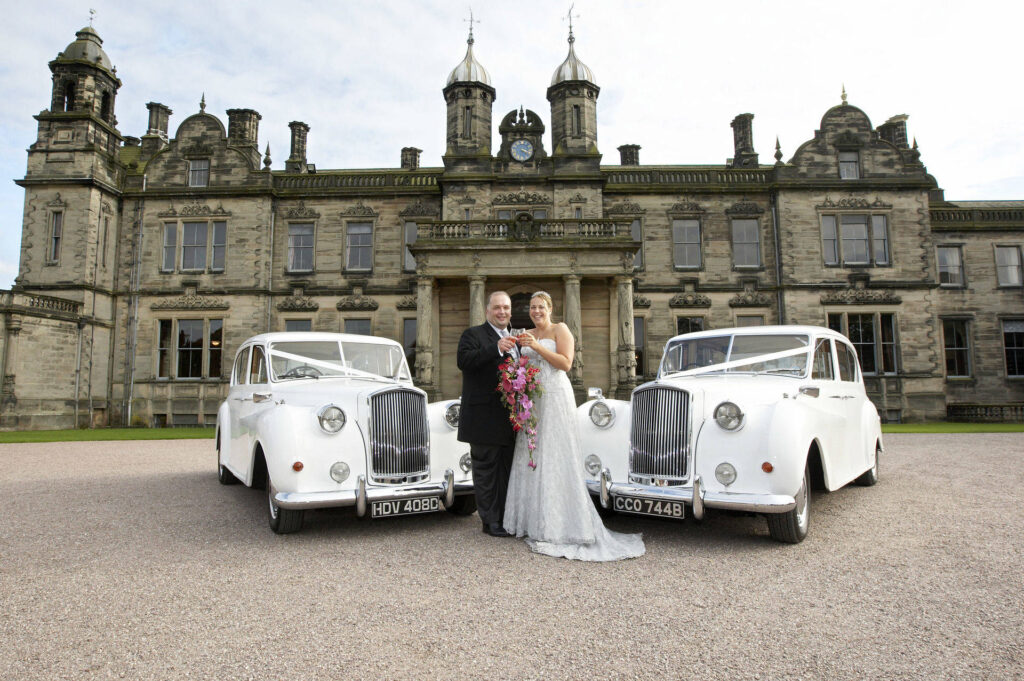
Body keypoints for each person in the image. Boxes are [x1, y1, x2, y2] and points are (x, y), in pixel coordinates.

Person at [503, 291, 645, 561]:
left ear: (550, 308)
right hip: (534, 401)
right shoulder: (527, 332)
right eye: (532, 307)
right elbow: (524, 364)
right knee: (533, 454)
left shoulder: (560, 329)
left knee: (556, 454)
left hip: (555, 396)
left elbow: (566, 364)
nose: (536, 311)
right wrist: (516, 372)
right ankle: (533, 522)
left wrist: (537, 347)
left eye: (541, 307)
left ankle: (560, 523)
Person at [457, 290, 519, 537]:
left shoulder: (515, 340)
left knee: (506, 471)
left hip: (509, 421)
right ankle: (489, 521)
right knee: (486, 472)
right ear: (487, 311)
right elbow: (465, 361)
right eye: (497, 308)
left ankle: (504, 518)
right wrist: (495, 348)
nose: (502, 312)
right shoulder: (472, 334)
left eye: (505, 307)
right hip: (483, 419)